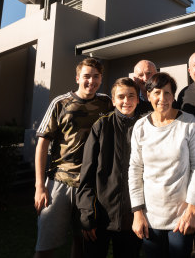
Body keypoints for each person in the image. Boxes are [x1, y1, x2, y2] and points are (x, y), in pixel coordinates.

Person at [34, 58, 113, 258]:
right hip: (60, 182)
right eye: (86, 76)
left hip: (90, 185)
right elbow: (42, 144)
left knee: (83, 242)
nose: (91, 81)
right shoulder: (60, 103)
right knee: (45, 244)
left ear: (101, 79)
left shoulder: (106, 103)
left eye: (96, 77)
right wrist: (39, 186)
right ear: (78, 77)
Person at [129, 72, 195, 258]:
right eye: (157, 93)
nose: (162, 98)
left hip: (181, 217)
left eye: (168, 93)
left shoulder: (188, 122)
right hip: (150, 217)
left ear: (174, 96)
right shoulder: (140, 127)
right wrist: (137, 212)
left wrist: (192, 210)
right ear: (148, 96)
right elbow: (135, 169)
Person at [77, 77, 144, 258]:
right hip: (100, 217)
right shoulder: (101, 126)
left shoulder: (145, 127)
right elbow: (87, 174)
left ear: (138, 99)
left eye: (131, 96)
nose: (126, 101)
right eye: (121, 97)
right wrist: (87, 215)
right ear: (113, 100)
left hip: (132, 217)